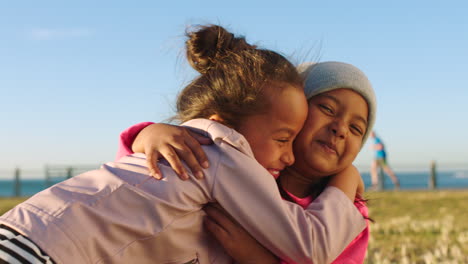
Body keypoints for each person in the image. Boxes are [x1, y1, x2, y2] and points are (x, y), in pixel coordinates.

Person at [0, 25, 366, 264]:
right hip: (46, 250)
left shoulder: (212, 152)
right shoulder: (227, 156)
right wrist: (346, 181)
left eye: (357, 128)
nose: (339, 131)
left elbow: (136, 192)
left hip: (32, 231)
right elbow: (312, 247)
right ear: (226, 124)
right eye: (283, 138)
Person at [118, 61, 377, 264]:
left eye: (356, 128)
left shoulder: (347, 216)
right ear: (293, 110)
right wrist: (147, 136)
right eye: (328, 109)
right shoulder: (242, 165)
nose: (340, 129)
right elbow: (138, 185)